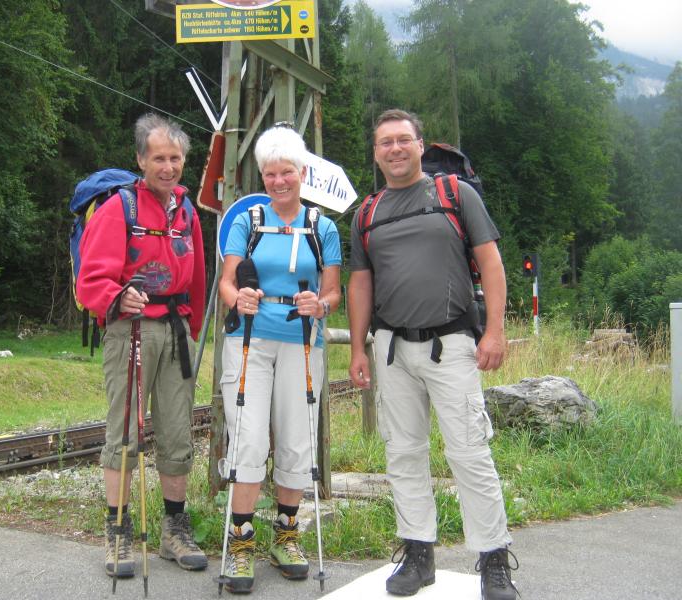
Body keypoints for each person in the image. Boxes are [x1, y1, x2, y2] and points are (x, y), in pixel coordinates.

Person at [347, 109, 519, 600]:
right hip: (392, 348)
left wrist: (496, 331)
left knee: (470, 454)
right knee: (403, 455)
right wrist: (357, 347)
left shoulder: (455, 195)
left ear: (421, 146)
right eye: (385, 142)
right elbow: (361, 284)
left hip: (454, 344)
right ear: (376, 152)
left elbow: (490, 262)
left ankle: (492, 562)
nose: (395, 149)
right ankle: (418, 556)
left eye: (404, 140)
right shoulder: (368, 212)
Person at [76, 113, 207, 578]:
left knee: (177, 432)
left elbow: (198, 277)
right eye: (158, 158)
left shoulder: (187, 211)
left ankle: (175, 529)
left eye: (175, 158)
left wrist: (192, 328)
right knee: (125, 432)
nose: (168, 167)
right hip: (129, 327)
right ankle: (117, 533)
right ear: (140, 160)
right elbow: (90, 276)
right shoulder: (119, 209)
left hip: (175, 329)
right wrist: (116, 296)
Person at [217, 125, 341, 594]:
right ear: (263, 177)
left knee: (296, 438)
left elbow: (333, 290)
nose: (279, 181)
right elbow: (227, 281)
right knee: (247, 438)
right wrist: (238, 298)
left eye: (287, 171)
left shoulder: (321, 226)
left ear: (302, 173)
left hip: (302, 342)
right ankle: (241, 539)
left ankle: (286, 535)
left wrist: (322, 305)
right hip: (250, 338)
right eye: (270, 173)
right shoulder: (248, 221)